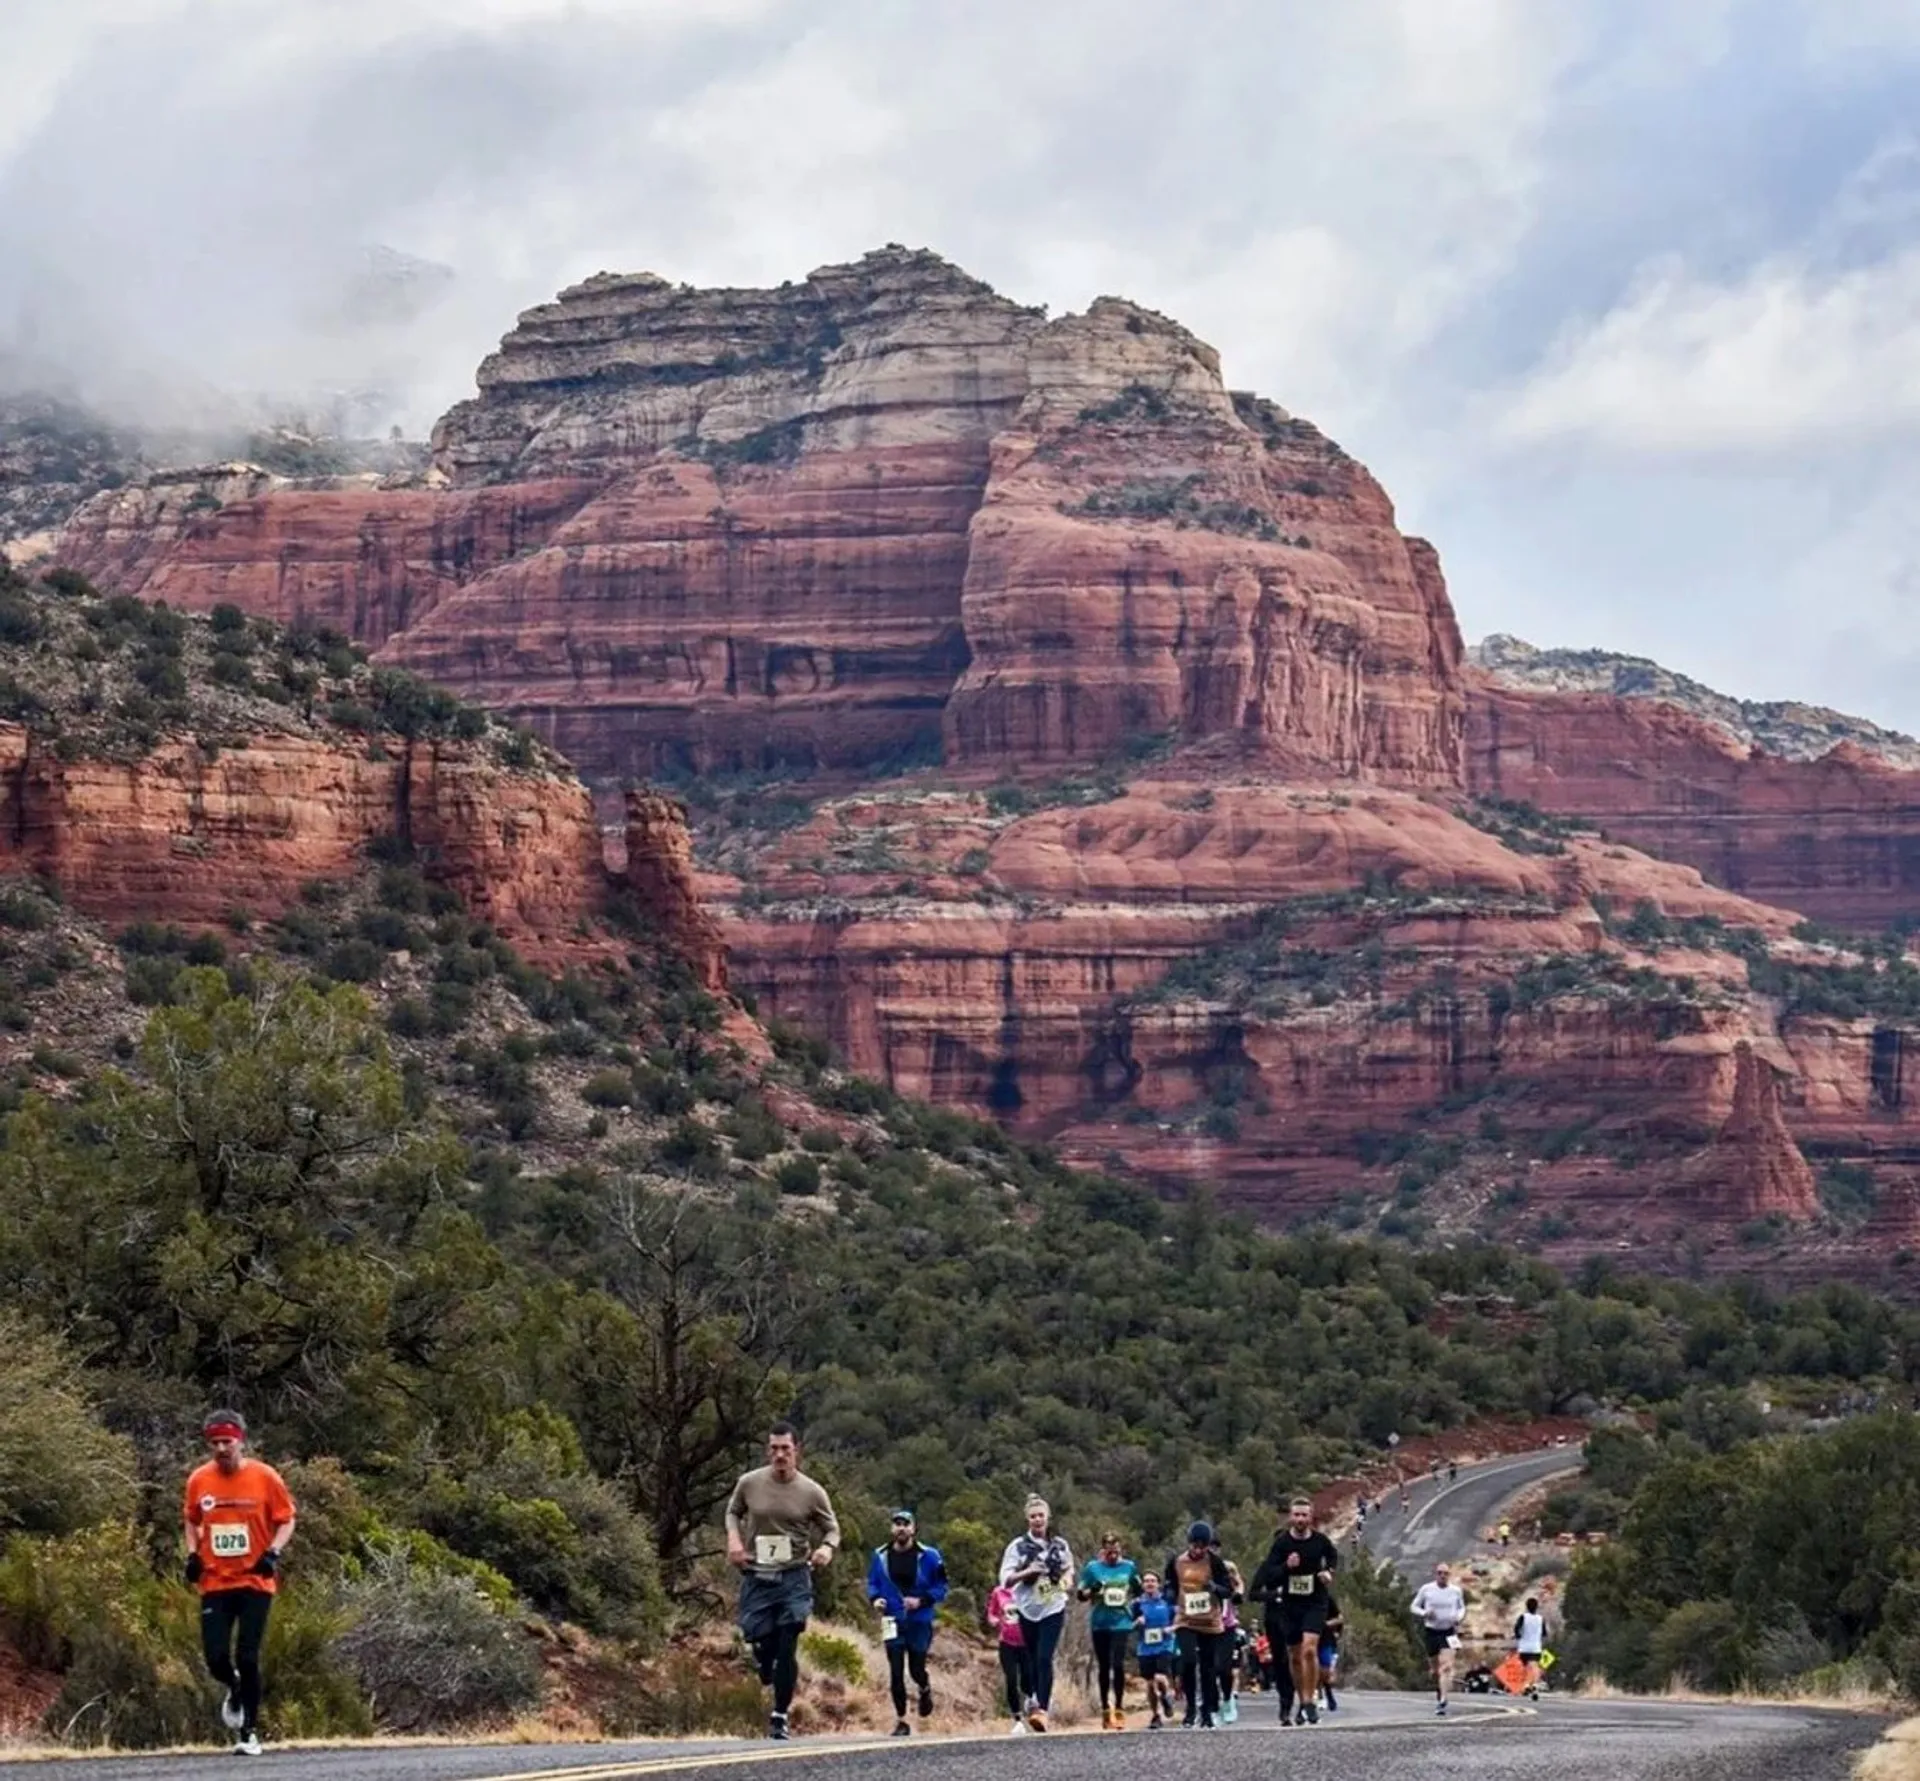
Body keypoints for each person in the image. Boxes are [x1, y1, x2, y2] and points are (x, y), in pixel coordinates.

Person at [183, 1409, 296, 1758]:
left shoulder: (265, 1477)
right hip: (215, 1581)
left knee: (247, 1657)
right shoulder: (199, 1480)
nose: (221, 1449)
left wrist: (273, 1553)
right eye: (215, 1442)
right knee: (216, 1658)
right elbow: (191, 1520)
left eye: (227, 1442)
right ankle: (233, 1686)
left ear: (240, 1441)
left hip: (255, 1581)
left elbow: (287, 1520)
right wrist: (192, 1554)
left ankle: (249, 1733)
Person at [726, 1422, 841, 1740]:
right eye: (774, 1448)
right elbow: (733, 1512)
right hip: (758, 1573)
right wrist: (734, 1542)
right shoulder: (749, 1483)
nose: (779, 1454)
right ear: (768, 1450)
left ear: (796, 1451)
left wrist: (826, 1549)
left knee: (789, 1638)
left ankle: (780, 1715)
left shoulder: (811, 1491)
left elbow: (832, 1528)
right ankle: (765, 1662)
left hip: (794, 1575)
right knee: (759, 1639)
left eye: (785, 1449)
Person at [1249, 1497, 1338, 1727]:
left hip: (1315, 1602)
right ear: (1291, 1516)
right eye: (1296, 1515)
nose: (1300, 1519)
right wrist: (1286, 1567)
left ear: (1311, 1517)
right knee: (1295, 1656)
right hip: (1290, 1604)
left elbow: (1332, 1557)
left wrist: (1328, 1572)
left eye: (1304, 1515)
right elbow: (1269, 1576)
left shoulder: (1320, 1541)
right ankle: (1304, 1699)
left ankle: (1310, 1700)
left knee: (1310, 1649)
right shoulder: (1281, 1544)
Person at [865, 1509, 947, 1737]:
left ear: (913, 1528)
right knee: (896, 1671)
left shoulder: (929, 1556)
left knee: (916, 1668)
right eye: (897, 1523)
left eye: (906, 1524)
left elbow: (941, 1587)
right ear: (892, 1529)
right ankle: (901, 1720)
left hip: (919, 1620)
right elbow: (873, 1582)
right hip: (891, 1618)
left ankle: (924, 1687)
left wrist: (921, 1601)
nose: (901, 1528)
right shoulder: (880, 1555)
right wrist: (875, 1599)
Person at [998, 1496, 1074, 1732]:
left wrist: (1066, 1579)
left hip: (1053, 1606)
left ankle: (1042, 1710)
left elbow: (1069, 1567)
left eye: (1041, 1515)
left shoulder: (1059, 1544)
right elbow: (1005, 1580)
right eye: (1033, 1516)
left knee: (1044, 1657)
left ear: (1048, 1517)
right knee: (1031, 1660)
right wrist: (1027, 1572)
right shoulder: (1017, 1547)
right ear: (1027, 1519)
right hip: (1028, 1608)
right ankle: (1032, 1697)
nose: (1038, 1520)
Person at [1163, 1520, 1236, 1730]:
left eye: (1202, 1546)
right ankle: (1191, 1708)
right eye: (1195, 1545)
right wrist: (1170, 1597)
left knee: (1208, 1666)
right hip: (1186, 1618)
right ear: (1189, 1543)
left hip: (1210, 1621)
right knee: (1187, 1660)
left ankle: (1206, 1711)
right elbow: (1170, 1586)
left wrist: (1214, 1586)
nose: (1198, 1550)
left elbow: (1227, 1590)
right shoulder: (1177, 1562)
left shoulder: (1215, 1562)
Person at [1076, 1530, 1141, 1730]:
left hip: (1121, 1621)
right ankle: (1106, 1709)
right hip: (1100, 1622)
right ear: (1103, 1551)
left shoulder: (1128, 1567)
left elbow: (1137, 1589)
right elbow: (1081, 1595)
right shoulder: (1093, 1568)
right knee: (1104, 1666)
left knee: (1118, 1664)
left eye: (1116, 1551)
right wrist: (1093, 1590)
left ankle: (1120, 1708)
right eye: (1109, 1552)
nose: (1112, 1556)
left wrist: (1136, 1606)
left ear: (1120, 1549)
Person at [1410, 1561, 1467, 1717]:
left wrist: (1459, 1617)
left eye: (1445, 1573)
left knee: (1446, 1667)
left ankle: (1443, 1700)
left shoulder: (1455, 1591)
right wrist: (1425, 1613)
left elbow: (1462, 1607)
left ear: (1449, 1575)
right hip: (1431, 1632)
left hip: (1448, 1632)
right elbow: (1413, 1606)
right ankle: (1440, 1688)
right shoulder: (1427, 1589)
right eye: (1440, 1573)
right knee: (1436, 1670)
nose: (1442, 1576)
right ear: (1435, 1574)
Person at [1132, 1571, 1177, 1729]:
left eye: (1152, 1581)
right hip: (1145, 1648)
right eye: (1146, 1581)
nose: (1149, 1584)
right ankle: (1156, 1715)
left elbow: (1179, 1620)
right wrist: (1138, 1622)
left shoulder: (1167, 1601)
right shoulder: (1137, 1604)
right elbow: (1129, 1625)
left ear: (1158, 1583)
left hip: (1164, 1645)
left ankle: (1166, 1696)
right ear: (1143, 1585)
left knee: (1160, 1677)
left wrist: (1170, 1629)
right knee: (1150, 1684)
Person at [986, 1577, 1029, 1735]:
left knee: (1027, 1680)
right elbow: (991, 1613)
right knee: (1011, 1679)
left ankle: (1032, 1706)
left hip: (1027, 1644)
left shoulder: (1028, 1591)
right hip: (1007, 1643)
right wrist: (996, 1621)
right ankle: (1017, 1719)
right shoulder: (999, 1591)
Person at [1214, 1556, 1246, 1724]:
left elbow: (1240, 1589)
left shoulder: (1235, 1589)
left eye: (1229, 1573)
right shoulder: (1212, 1585)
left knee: (1224, 1669)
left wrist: (1238, 1588)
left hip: (1227, 1628)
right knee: (1209, 1668)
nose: (1226, 1575)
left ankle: (1228, 1700)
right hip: (1208, 1628)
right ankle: (1211, 1707)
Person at [1514, 1595, 1546, 1700]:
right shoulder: (1540, 1619)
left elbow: (1517, 1629)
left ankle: (1527, 1684)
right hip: (1536, 1646)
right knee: (1535, 1666)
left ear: (1527, 1606)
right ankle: (1535, 1684)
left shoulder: (1523, 1617)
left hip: (1524, 1646)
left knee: (1527, 1666)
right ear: (1537, 1607)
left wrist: (1519, 1636)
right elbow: (1544, 1633)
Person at [1317, 1600, 1343, 1713]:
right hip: (1309, 1639)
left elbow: (1340, 1618)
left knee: (1326, 1670)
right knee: (1314, 1670)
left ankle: (1328, 1694)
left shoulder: (1327, 1599)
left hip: (1326, 1640)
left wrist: (1328, 1625)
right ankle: (1320, 1697)